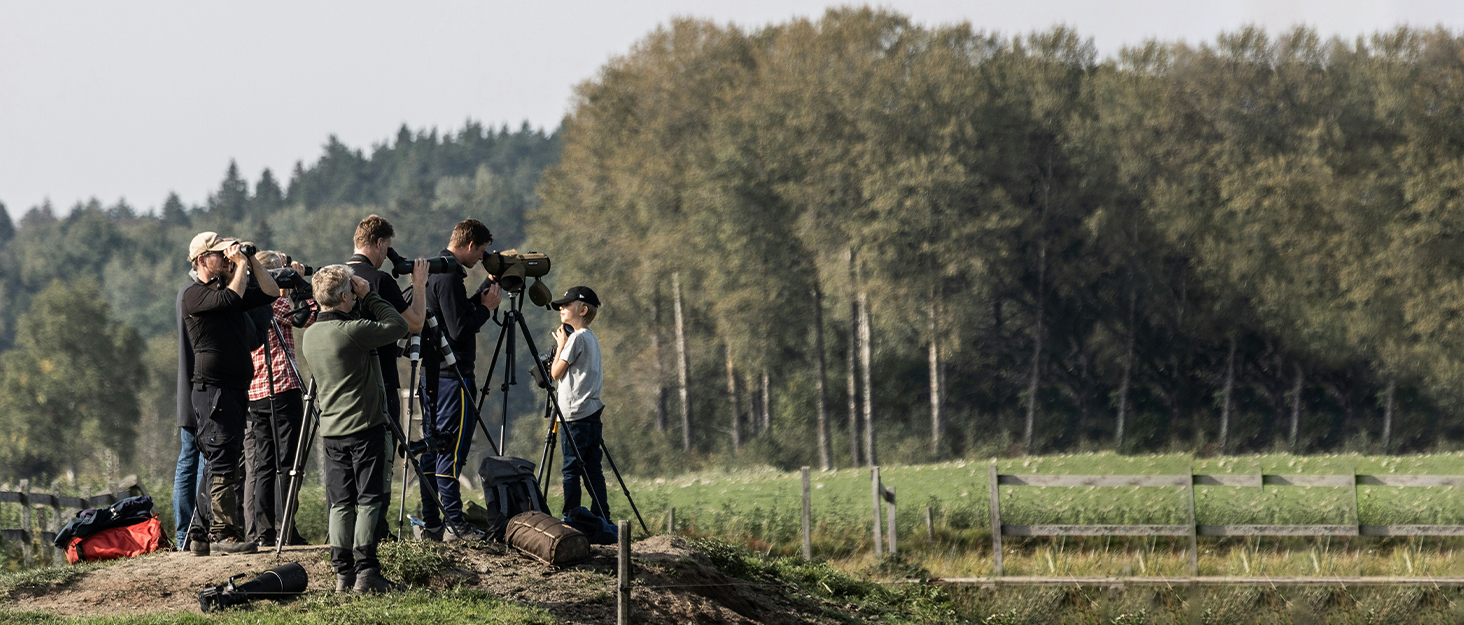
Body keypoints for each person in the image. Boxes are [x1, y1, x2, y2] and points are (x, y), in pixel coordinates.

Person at [300, 264, 420, 592]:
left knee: (340, 502)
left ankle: (343, 575)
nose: (355, 294)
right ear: (343, 296)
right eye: (350, 291)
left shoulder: (310, 336)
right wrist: (371, 295)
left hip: (332, 430)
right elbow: (397, 325)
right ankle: (367, 571)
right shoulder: (353, 331)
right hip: (365, 427)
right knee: (368, 499)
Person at [181, 232, 279, 555]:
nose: (225, 258)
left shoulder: (229, 289)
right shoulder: (194, 296)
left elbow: (271, 291)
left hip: (234, 389)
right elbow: (232, 301)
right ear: (200, 261)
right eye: (218, 255)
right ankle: (224, 533)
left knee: (216, 459)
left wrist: (250, 260)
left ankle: (198, 533)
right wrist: (237, 266)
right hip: (213, 391)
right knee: (222, 458)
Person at [345, 215, 427, 541]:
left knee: (348, 460)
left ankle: (351, 531)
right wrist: (419, 284)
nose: (387, 254)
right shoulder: (378, 281)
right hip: (382, 381)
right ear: (379, 243)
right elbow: (415, 323)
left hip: (346, 382)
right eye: (388, 248)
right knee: (381, 457)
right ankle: (377, 531)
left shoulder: (337, 277)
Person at [419, 219, 501, 541]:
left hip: (432, 374)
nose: (481, 258)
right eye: (481, 252)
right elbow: (459, 329)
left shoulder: (438, 272)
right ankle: (455, 521)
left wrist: (481, 295)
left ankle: (432, 523)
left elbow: (454, 314)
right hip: (454, 376)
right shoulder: (450, 275)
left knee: (431, 448)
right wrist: (487, 310)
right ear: (469, 245)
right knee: (451, 450)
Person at [242, 250, 314, 547]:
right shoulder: (276, 302)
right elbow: (308, 317)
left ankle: (264, 532)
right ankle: (287, 528)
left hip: (255, 392)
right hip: (282, 388)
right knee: (287, 463)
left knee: (263, 465)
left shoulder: (247, 303)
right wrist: (299, 284)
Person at [549, 286, 609, 522]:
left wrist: (561, 345)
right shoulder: (591, 338)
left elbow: (555, 373)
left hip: (573, 415)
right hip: (592, 412)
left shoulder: (575, 339)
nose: (561, 308)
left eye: (567, 304)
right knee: (593, 469)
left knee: (571, 470)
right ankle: (602, 516)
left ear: (583, 310)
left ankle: (571, 516)